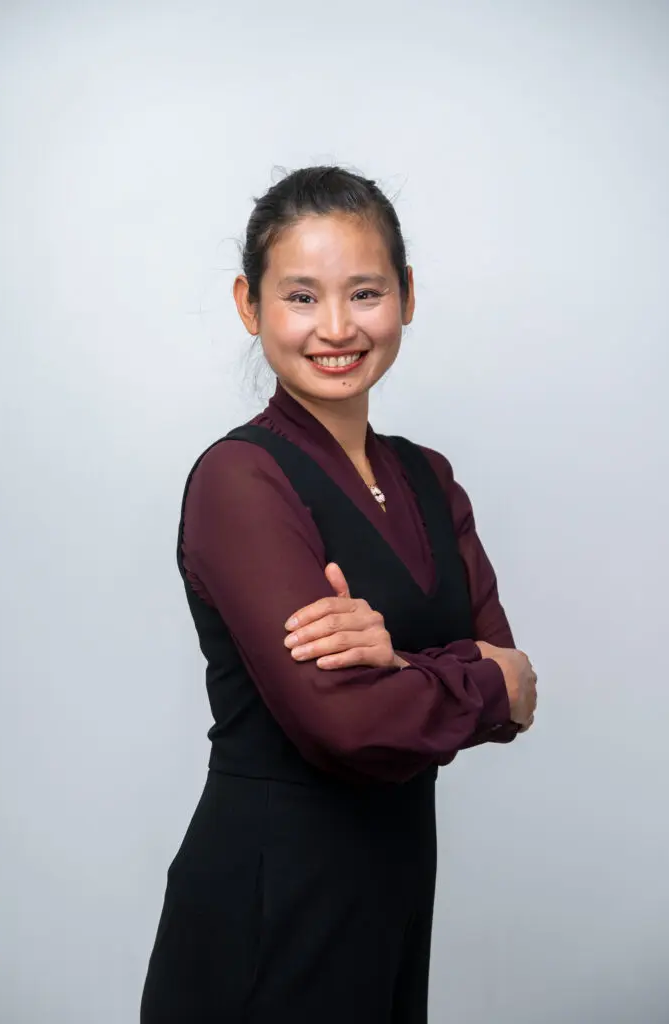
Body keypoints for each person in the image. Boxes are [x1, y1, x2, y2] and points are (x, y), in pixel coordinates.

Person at [140, 165, 537, 1024]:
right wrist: (474, 673)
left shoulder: (430, 478)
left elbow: (518, 696)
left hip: (390, 899)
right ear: (250, 306)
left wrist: (396, 660)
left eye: (363, 292)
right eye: (300, 296)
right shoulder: (239, 479)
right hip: (268, 906)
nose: (334, 328)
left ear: (406, 296)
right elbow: (346, 725)